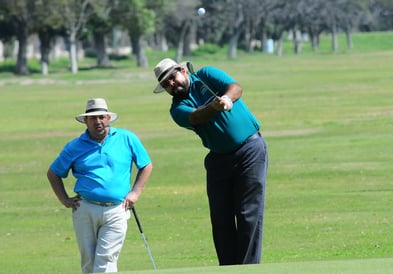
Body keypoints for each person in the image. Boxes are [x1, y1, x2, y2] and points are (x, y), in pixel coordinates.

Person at [152, 58, 268, 265]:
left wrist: (227, 98)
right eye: (165, 84)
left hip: (250, 149)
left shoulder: (206, 75)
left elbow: (235, 88)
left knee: (248, 213)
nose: (171, 84)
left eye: (172, 77)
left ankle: (248, 268)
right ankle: (228, 268)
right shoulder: (177, 108)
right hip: (218, 159)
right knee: (221, 219)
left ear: (182, 71)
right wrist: (215, 106)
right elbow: (197, 117)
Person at [46, 98, 153, 273]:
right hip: (85, 208)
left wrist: (135, 192)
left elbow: (146, 165)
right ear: (86, 121)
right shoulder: (74, 146)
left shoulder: (126, 138)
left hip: (117, 208)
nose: (98, 122)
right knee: (88, 261)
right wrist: (64, 199)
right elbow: (54, 173)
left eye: (102, 117)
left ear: (108, 118)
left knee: (106, 259)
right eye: (93, 118)